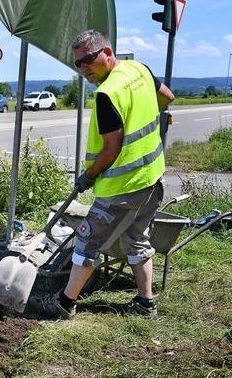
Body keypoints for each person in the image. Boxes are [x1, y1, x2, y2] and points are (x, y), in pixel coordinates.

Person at [33, 29, 174, 319]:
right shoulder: (140, 69)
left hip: (122, 187)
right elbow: (167, 97)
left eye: (88, 59)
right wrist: (145, 113)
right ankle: (145, 304)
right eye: (78, 64)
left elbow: (111, 149)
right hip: (152, 179)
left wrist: (88, 175)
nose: (84, 68)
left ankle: (64, 303)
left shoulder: (107, 94)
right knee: (137, 239)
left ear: (108, 52)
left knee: (86, 242)